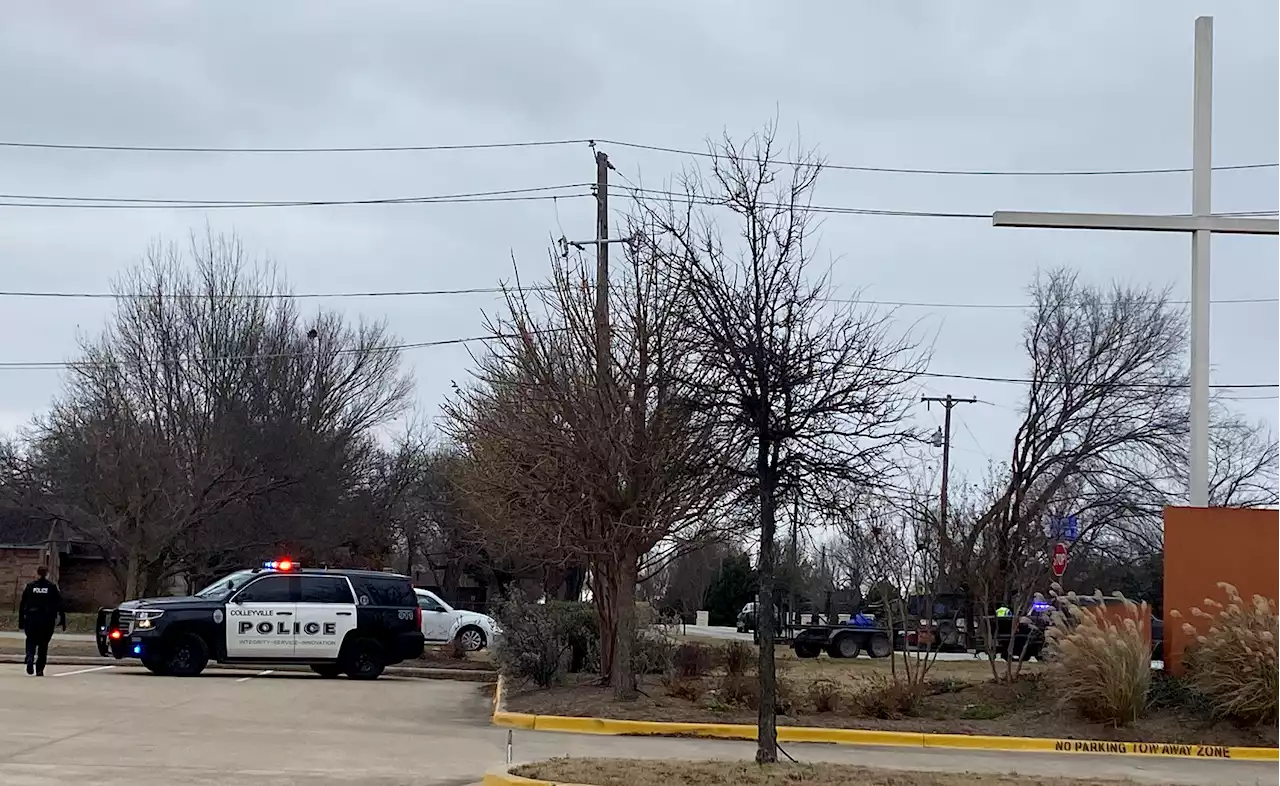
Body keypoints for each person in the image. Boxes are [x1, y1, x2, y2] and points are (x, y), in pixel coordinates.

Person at [18, 565, 66, 676]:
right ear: (47, 574)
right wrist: (62, 620)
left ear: (37, 574)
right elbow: (60, 604)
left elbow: (22, 604)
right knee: (43, 645)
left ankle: (30, 657)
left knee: (30, 639)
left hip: (32, 618)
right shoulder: (52, 587)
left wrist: (21, 621)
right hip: (47, 620)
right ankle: (39, 669)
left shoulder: (30, 587)